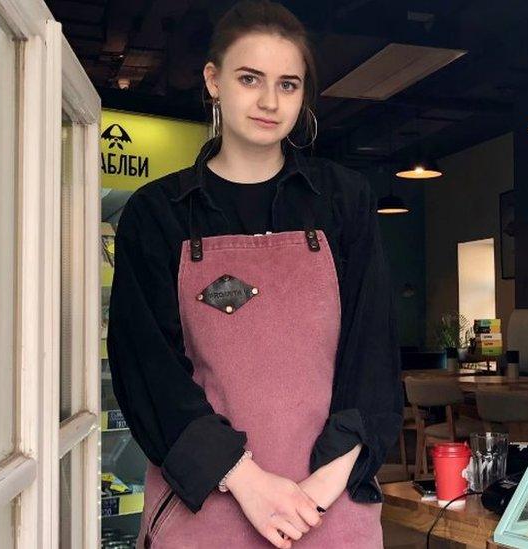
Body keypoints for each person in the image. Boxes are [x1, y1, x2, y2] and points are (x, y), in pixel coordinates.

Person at [107, 1, 403, 548]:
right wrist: (247, 481)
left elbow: (373, 353)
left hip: (329, 501)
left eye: (288, 85)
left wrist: (315, 491)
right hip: (208, 503)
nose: (270, 101)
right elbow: (147, 371)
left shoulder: (343, 201)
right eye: (250, 79)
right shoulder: (159, 214)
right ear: (213, 81)